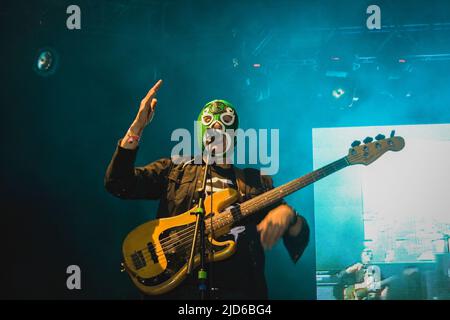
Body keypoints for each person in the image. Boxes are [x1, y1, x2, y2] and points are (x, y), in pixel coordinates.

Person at [104, 80, 310, 299]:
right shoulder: (175, 170)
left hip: (238, 294)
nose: (217, 127)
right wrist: (137, 127)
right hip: (178, 290)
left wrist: (289, 215)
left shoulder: (255, 181)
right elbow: (118, 183)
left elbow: (298, 236)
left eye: (225, 122)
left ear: (237, 137)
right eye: (210, 122)